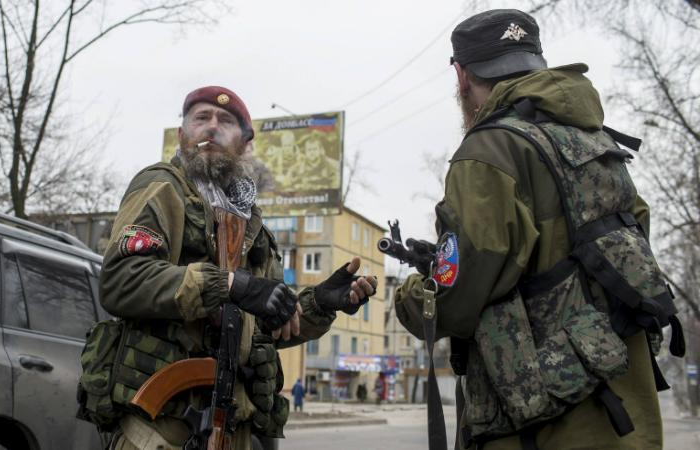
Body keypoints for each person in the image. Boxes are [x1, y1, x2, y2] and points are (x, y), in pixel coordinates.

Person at [393, 9, 682, 450]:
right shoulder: (597, 143)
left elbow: (458, 294)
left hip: (546, 430)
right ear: (535, 61)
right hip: (628, 419)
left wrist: (412, 296)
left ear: (461, 75)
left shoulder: (488, 150)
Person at [85, 86, 378, 450]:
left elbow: (265, 332)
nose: (211, 127)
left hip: (231, 425)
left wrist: (318, 304)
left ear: (245, 143)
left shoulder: (250, 223)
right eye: (201, 118)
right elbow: (120, 281)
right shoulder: (162, 187)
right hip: (161, 427)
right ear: (182, 134)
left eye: (225, 120)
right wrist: (229, 284)